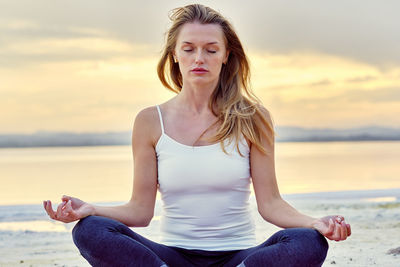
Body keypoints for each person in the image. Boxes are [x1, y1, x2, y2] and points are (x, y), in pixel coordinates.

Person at [43, 4, 351, 267]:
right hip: (171, 257)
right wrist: (91, 210)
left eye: (211, 49)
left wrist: (315, 223)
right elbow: (140, 211)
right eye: (188, 49)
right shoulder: (151, 121)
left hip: (240, 257)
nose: (199, 58)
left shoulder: (253, 118)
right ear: (175, 55)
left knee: (307, 241)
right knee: (89, 230)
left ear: (226, 55)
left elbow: (270, 204)